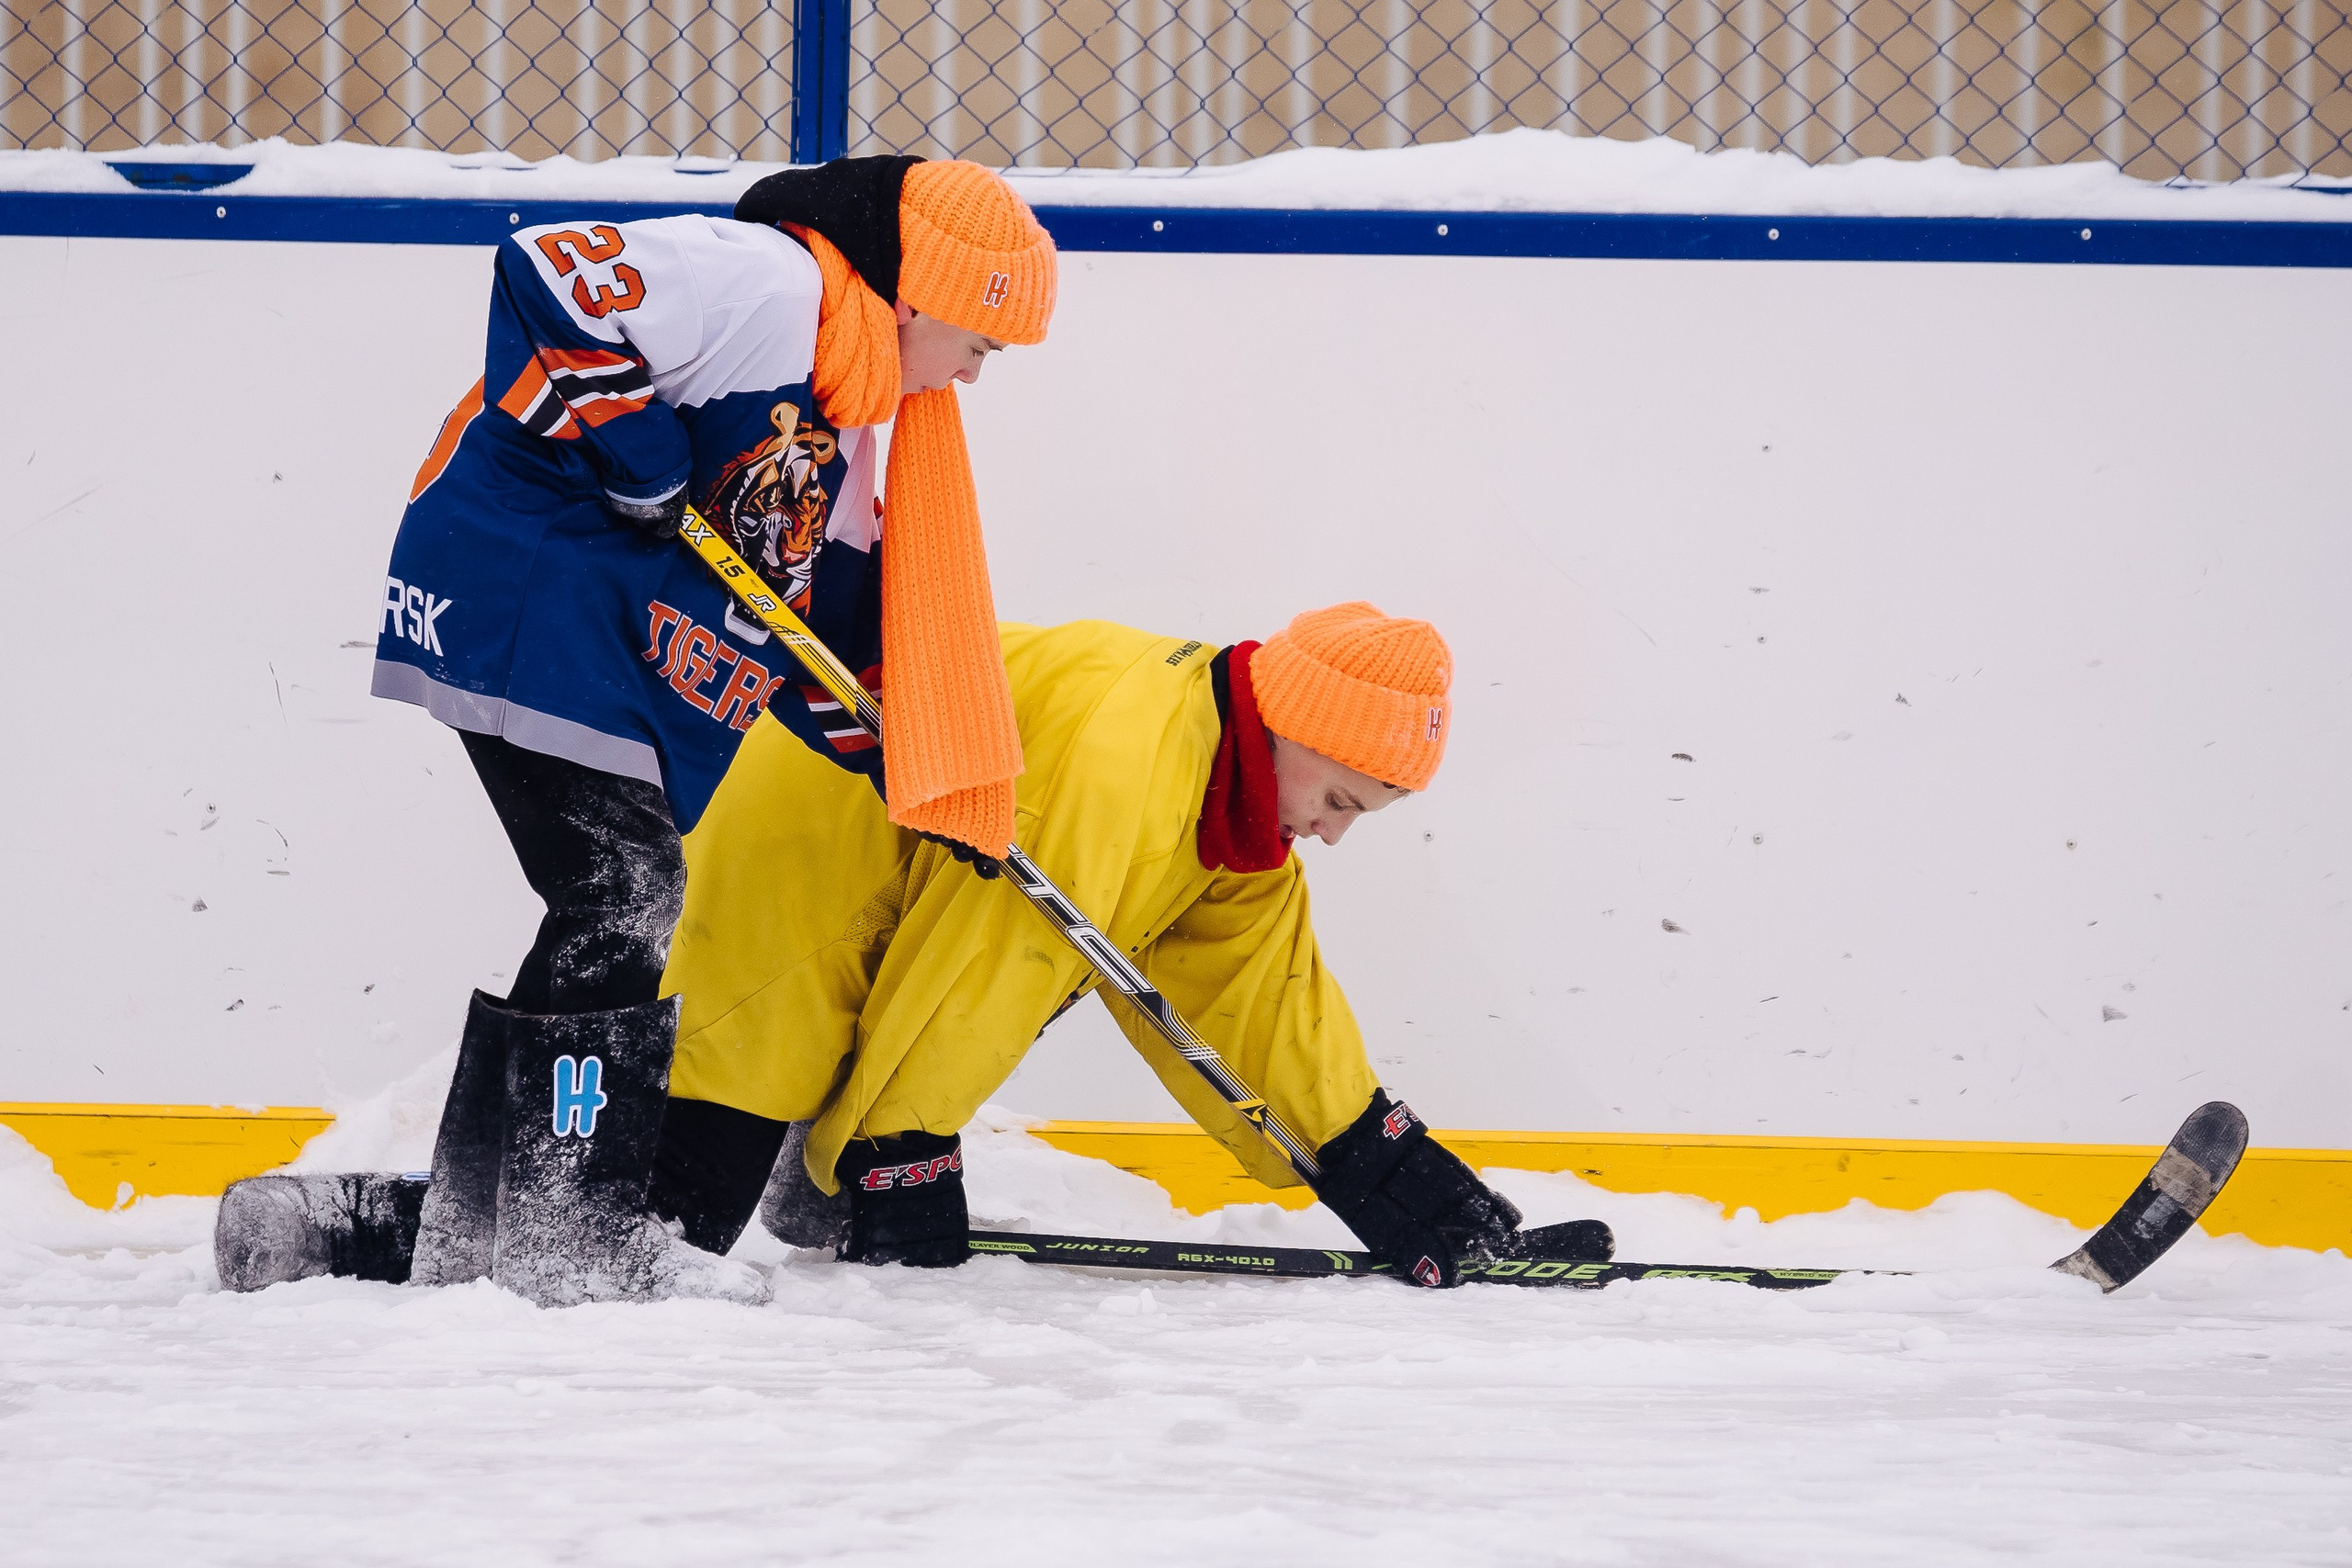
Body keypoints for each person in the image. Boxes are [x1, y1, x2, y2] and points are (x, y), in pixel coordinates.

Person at [360, 155, 1057, 1306]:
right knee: (622, 891)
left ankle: (491, 1222)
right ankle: (567, 1231)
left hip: (580, 621)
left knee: (609, 892)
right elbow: (553, 271)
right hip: (525, 586)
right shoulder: (768, 282)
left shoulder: (842, 409)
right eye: (981, 346)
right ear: (926, 297)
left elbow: (797, 605)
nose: (974, 378)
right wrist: (638, 454)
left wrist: (912, 759)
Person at [644, 603, 1528, 1288]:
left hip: (917, 853)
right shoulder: (1123, 769)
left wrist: (1377, 1159)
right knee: (734, 1087)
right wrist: (903, 1150)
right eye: (1339, 800)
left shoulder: (1232, 798)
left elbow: (1259, 999)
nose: (1333, 834)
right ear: (1294, 730)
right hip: (808, 819)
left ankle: (819, 1186)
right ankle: (607, 1279)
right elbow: (984, 970)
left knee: (841, 1135)